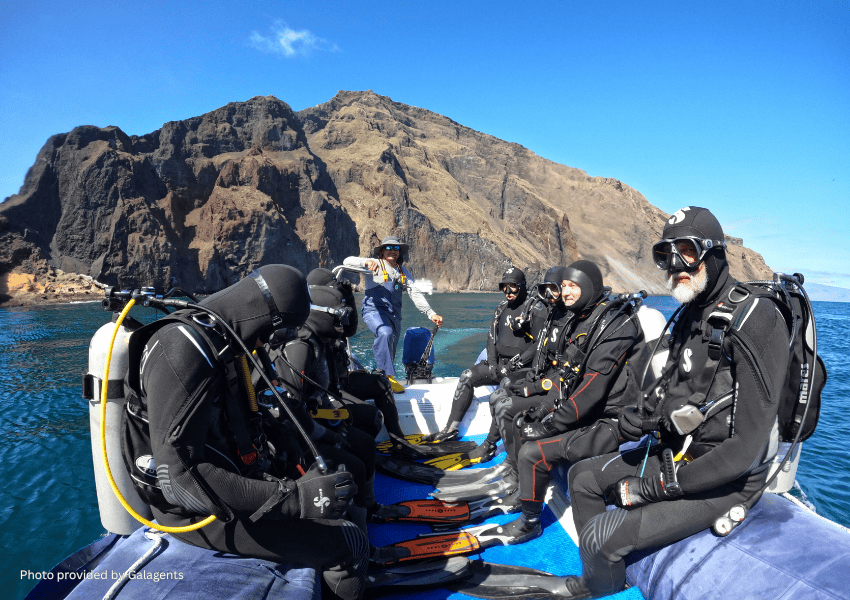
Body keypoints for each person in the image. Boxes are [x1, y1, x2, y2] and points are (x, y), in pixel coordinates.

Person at [560, 207, 789, 598]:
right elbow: (672, 394)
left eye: (687, 250)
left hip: (727, 478)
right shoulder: (690, 313)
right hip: (679, 452)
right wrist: (636, 422)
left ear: (715, 253)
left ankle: (599, 575)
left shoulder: (756, 318)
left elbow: (745, 451)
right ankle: (607, 581)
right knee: (581, 477)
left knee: (601, 535)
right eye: (665, 254)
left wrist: (650, 488)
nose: (675, 264)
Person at [123, 265, 369, 600]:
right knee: (349, 543)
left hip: (233, 482)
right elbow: (178, 481)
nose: (270, 343)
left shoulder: (221, 338)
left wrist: (284, 445)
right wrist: (295, 498)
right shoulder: (181, 350)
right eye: (275, 332)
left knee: (346, 494)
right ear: (267, 316)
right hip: (193, 514)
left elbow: (239, 416)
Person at [486, 260, 640, 544]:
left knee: (534, 451)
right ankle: (523, 492)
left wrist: (550, 425)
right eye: (564, 285)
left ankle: (529, 523)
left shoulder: (616, 325)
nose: (566, 292)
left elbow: (593, 387)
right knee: (524, 422)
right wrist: (542, 410)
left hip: (611, 419)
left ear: (589, 287)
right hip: (586, 411)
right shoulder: (580, 318)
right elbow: (567, 375)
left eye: (573, 286)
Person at [422, 267, 537, 464]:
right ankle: (450, 429)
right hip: (499, 364)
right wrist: (492, 363)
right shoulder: (501, 309)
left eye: (513, 288)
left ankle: (489, 444)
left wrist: (514, 365)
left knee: (503, 393)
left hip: (519, 370)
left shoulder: (533, 311)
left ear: (523, 287)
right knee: (467, 375)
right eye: (504, 288)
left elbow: (538, 345)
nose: (508, 292)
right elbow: (491, 338)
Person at [305, 267, 405, 438]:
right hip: (329, 391)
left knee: (381, 383)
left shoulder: (332, 315)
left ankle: (398, 440)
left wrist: (349, 297)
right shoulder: (311, 321)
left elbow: (349, 330)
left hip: (343, 381)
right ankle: (360, 450)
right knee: (371, 417)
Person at [344, 235, 443, 391]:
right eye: (388, 248)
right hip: (374, 311)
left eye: (395, 248)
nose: (392, 251)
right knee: (385, 332)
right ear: (382, 251)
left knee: (391, 345)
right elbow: (347, 261)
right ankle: (386, 376)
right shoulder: (374, 264)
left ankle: (384, 378)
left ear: (399, 252)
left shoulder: (403, 272)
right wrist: (365, 262)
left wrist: (431, 314)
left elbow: (415, 293)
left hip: (394, 315)